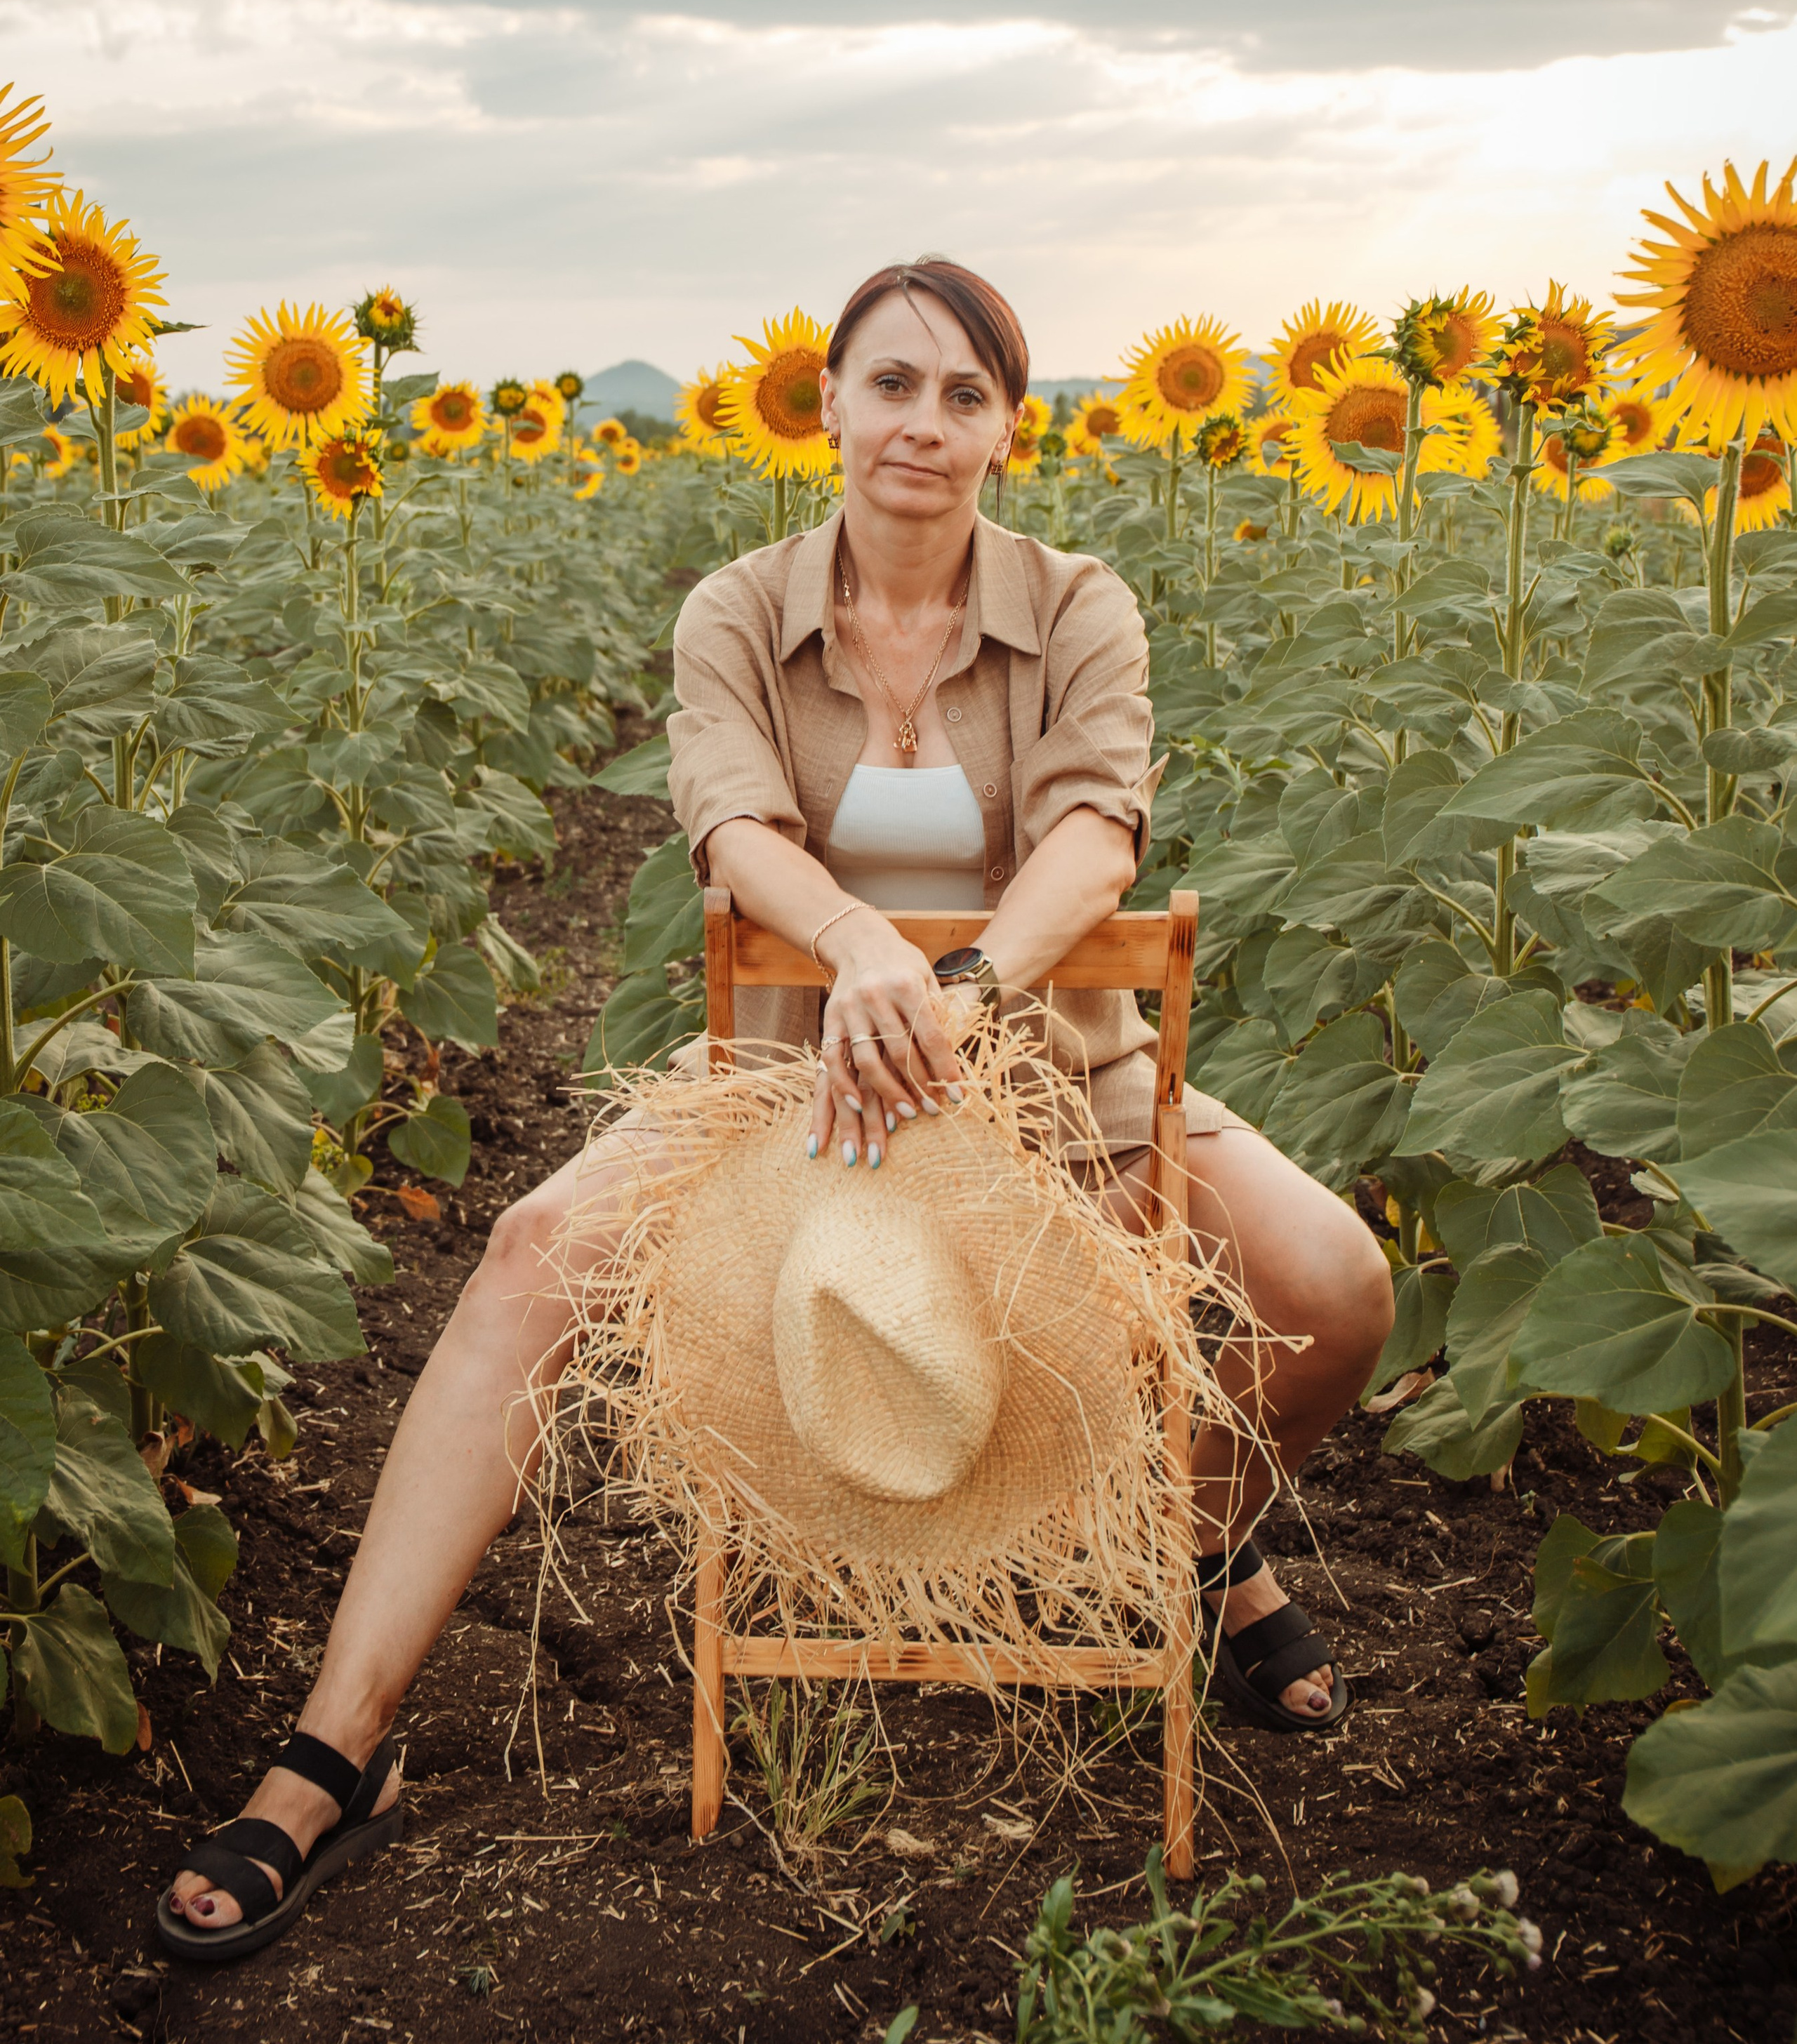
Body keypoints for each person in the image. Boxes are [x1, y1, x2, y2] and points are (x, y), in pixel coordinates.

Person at [159, 257, 1393, 1958]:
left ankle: (1183, 1549)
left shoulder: (1078, 601)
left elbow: (1097, 830)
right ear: (825, 404)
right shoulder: (737, 608)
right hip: (788, 1092)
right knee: (524, 1254)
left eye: (964, 395)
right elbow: (733, 824)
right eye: (891, 383)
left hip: (1060, 1077)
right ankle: (330, 1754)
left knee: (1332, 1289)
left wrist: (960, 999)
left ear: (1007, 433)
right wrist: (860, 947)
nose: (923, 423)